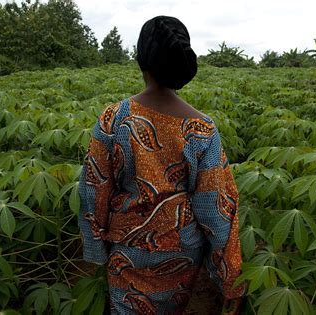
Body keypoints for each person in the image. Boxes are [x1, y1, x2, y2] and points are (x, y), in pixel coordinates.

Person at [78, 15, 245, 315]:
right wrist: (228, 274)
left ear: (141, 58)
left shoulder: (112, 119)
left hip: (127, 251)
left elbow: (94, 189)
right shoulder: (202, 128)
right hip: (183, 253)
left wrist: (95, 251)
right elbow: (214, 207)